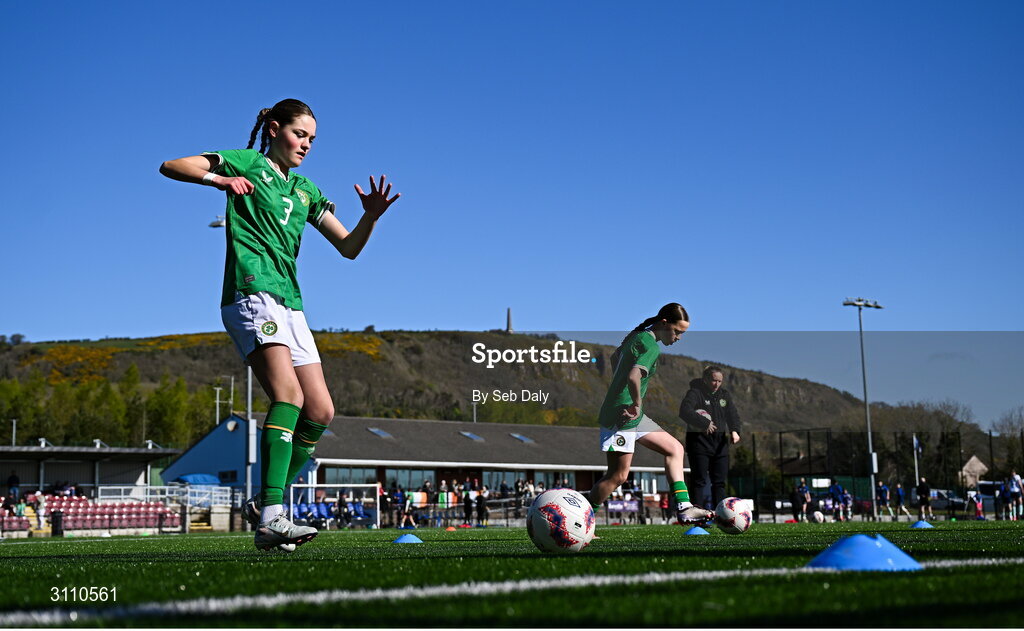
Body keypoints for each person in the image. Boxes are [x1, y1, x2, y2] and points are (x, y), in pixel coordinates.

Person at [160, 99, 401, 551]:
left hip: (290, 305)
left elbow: (348, 247)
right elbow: (172, 165)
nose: (306, 144)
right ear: (274, 129)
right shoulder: (249, 162)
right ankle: (272, 515)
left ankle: (261, 504)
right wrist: (221, 179)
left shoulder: (305, 189)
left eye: (312, 138)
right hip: (252, 293)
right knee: (287, 395)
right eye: (299, 134)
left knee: (320, 411)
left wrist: (369, 217)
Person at [585, 303, 714, 526]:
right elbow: (634, 376)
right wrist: (635, 403)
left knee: (674, 449)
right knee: (618, 476)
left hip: (629, 412)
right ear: (664, 323)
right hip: (623, 415)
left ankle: (684, 508)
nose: (679, 338)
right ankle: (582, 518)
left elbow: (617, 359)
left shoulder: (637, 337)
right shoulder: (651, 346)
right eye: (677, 332)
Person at [678, 366, 742, 512]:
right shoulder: (695, 393)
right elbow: (684, 411)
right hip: (699, 442)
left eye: (720, 381)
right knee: (699, 481)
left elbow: (733, 415)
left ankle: (721, 515)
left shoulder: (724, 395)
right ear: (705, 379)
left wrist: (735, 430)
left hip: (720, 443)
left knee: (719, 482)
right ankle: (698, 516)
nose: (717, 384)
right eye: (714, 380)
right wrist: (704, 423)